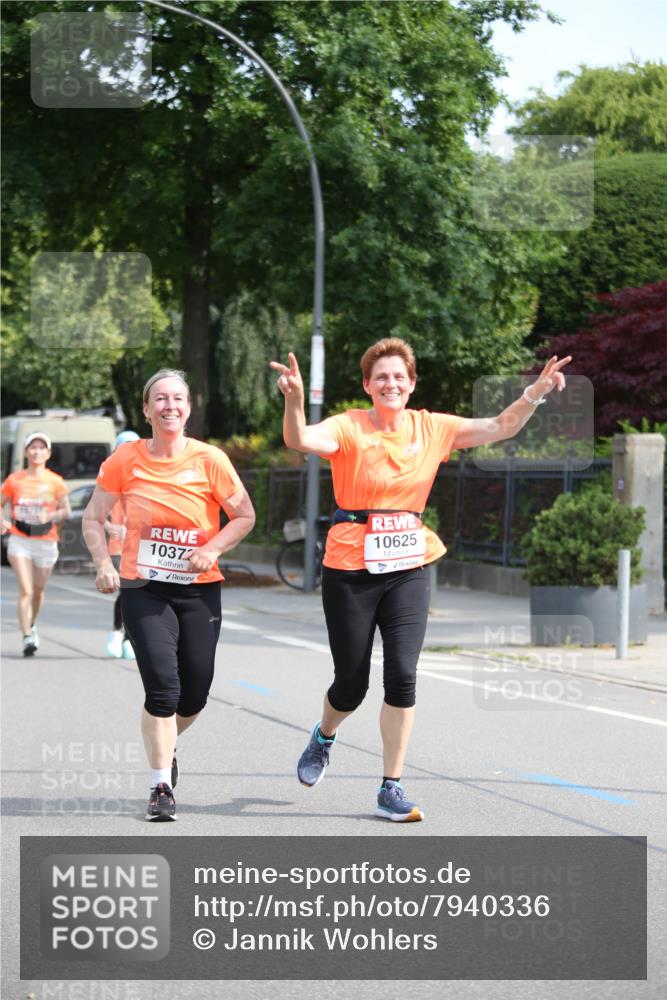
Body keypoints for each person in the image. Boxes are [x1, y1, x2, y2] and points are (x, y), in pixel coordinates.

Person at [271, 339, 571, 822]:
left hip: (410, 563)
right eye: (381, 377)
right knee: (351, 683)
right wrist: (293, 402)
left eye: (400, 377)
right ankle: (325, 735)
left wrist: (533, 393)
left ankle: (391, 786)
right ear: (368, 386)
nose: (391, 384)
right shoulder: (348, 426)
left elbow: (499, 426)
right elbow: (301, 440)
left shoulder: (433, 427)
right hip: (350, 565)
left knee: (404, 674)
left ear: (412, 385)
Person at [82, 369, 256, 821]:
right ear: (146, 409)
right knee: (163, 688)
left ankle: (168, 744)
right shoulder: (126, 459)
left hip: (199, 589)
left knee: (194, 693)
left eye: (177, 398)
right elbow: (92, 518)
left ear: (189, 406)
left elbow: (244, 515)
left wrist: (212, 547)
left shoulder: (210, 459)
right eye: (160, 399)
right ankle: (160, 784)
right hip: (144, 588)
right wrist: (104, 562)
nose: (169, 406)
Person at [1, 433, 71, 657]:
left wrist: (49, 514)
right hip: (20, 539)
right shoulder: (15, 480)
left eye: (42, 448)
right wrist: (3, 519)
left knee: (39, 591)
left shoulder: (55, 481)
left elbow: (66, 511)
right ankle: (27, 636)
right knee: (26, 590)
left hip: (46, 541)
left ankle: (31, 625)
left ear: (48, 454)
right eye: (33, 447)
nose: (37, 451)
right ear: (25, 452)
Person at [104, 429, 140, 660]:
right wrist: (110, 528)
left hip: (141, 547)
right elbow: (96, 515)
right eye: (122, 446)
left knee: (136, 593)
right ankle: (120, 633)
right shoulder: (109, 476)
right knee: (127, 592)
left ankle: (126, 636)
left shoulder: (146, 476)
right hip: (117, 546)